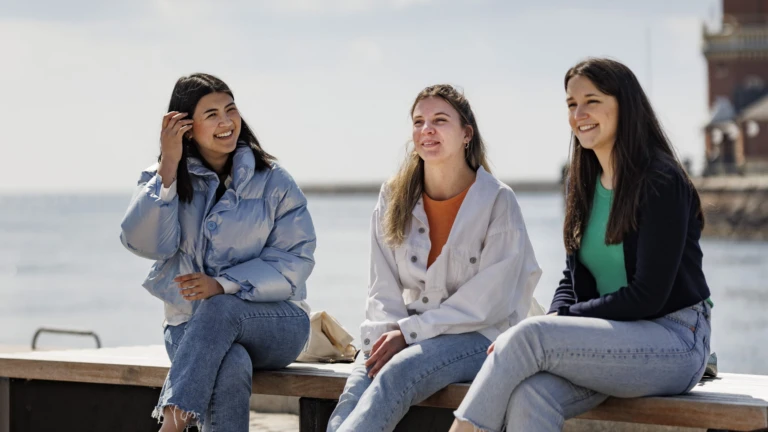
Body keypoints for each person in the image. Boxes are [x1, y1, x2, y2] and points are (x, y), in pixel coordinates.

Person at [451, 58, 713, 432]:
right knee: (532, 393)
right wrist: (558, 314)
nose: (580, 113)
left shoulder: (659, 180)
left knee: (529, 334)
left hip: (675, 339)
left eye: (592, 100)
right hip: (612, 338)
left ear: (625, 105)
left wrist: (556, 323)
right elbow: (573, 278)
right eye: (572, 104)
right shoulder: (583, 181)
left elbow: (649, 295)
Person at [327, 84, 542, 432]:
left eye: (440, 120)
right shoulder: (393, 196)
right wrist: (388, 336)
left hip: (481, 337)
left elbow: (490, 303)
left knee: (397, 374)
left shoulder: (498, 201)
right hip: (408, 330)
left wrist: (409, 334)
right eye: (418, 122)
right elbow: (382, 287)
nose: (426, 129)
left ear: (466, 134)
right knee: (354, 390)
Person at [119, 73, 315, 432]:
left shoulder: (274, 181)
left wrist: (223, 285)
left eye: (231, 110)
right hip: (188, 326)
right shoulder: (163, 177)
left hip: (277, 325)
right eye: (211, 114)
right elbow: (144, 244)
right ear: (185, 127)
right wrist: (167, 168)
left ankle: (170, 428)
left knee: (221, 306)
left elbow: (295, 260)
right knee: (232, 364)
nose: (226, 123)